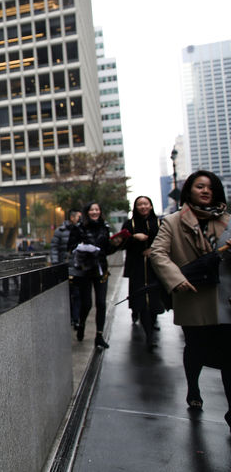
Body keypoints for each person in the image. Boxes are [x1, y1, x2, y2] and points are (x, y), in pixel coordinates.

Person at [150, 170, 231, 431]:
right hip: (193, 296)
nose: (206, 191)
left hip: (226, 298)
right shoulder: (172, 221)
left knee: (230, 357)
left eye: (210, 187)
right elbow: (158, 253)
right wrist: (175, 279)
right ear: (189, 191)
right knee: (196, 350)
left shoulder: (228, 220)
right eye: (199, 186)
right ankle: (193, 388)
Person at [68, 202, 121, 348]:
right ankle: (82, 323)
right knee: (87, 304)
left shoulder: (105, 228)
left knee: (101, 303)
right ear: (87, 212)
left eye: (97, 209)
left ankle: (99, 335)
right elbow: (70, 247)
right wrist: (82, 250)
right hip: (84, 270)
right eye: (92, 209)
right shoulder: (79, 228)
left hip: (101, 270)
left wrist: (116, 244)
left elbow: (107, 250)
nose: (95, 212)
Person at [121, 196, 162, 351]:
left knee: (154, 301)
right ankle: (149, 337)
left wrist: (153, 250)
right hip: (137, 267)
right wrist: (133, 237)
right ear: (136, 207)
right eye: (140, 204)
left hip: (155, 268)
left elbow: (167, 241)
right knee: (142, 301)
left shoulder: (159, 223)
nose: (143, 207)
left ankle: (152, 323)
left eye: (146, 204)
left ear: (151, 206)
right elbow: (121, 244)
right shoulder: (129, 224)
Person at [52, 209, 82, 327]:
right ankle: (69, 317)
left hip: (78, 267)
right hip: (64, 266)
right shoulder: (60, 231)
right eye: (78, 217)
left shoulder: (81, 230)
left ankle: (76, 318)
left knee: (78, 293)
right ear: (72, 218)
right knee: (67, 294)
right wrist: (55, 263)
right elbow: (54, 247)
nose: (80, 219)